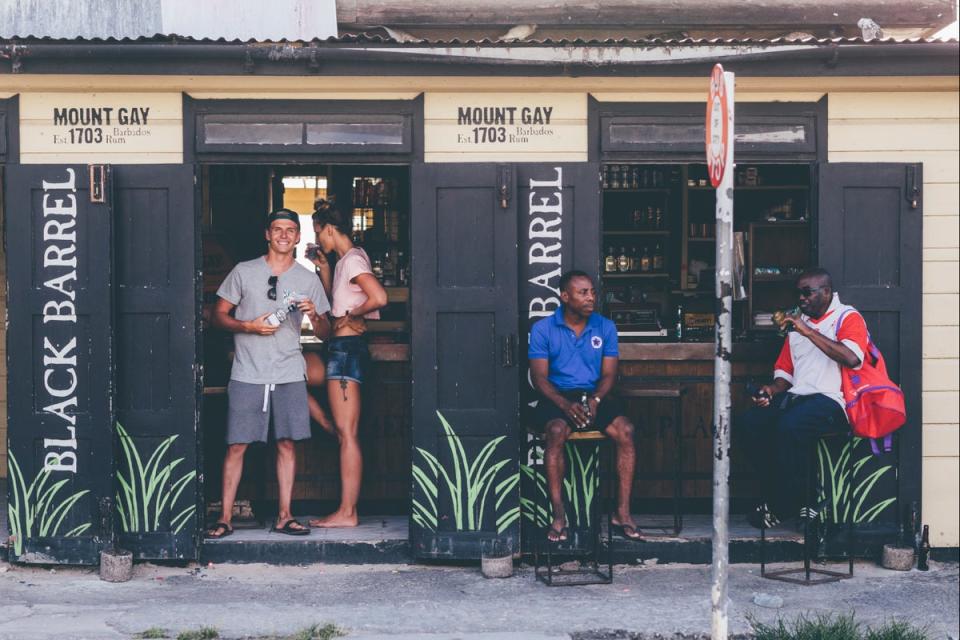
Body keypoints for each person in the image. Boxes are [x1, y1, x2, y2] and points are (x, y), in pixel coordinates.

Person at [205, 208, 331, 539]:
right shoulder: (244, 272)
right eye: (278, 229)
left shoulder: (307, 279)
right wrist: (247, 325)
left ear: (298, 236)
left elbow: (327, 332)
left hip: (289, 370)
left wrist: (315, 315)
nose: (284, 235)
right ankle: (225, 518)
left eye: (291, 230)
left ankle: (285, 516)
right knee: (237, 445)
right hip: (247, 371)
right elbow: (217, 316)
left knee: (287, 443)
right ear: (267, 234)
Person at [740, 267, 868, 529]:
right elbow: (784, 376)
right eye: (798, 293)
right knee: (748, 424)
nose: (801, 299)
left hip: (835, 402)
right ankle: (794, 497)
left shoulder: (848, 317)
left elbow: (852, 359)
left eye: (807, 293)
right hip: (798, 399)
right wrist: (771, 391)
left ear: (826, 292)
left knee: (790, 427)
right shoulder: (798, 326)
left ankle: (782, 504)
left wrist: (807, 331)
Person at [528, 270, 642, 542]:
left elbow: (609, 375)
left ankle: (622, 514)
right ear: (565, 297)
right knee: (556, 432)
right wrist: (565, 405)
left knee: (626, 430)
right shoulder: (543, 329)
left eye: (592, 292)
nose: (591, 297)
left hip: (593, 395)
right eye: (583, 293)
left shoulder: (605, 327)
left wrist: (596, 400)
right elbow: (539, 378)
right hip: (557, 397)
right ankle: (559, 516)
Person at [306, 200, 388, 528]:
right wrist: (323, 267)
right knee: (344, 432)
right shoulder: (345, 262)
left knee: (347, 435)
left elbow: (379, 297)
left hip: (347, 350)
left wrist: (352, 315)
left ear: (328, 229)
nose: (318, 240)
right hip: (342, 348)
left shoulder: (353, 260)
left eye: (318, 234)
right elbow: (332, 304)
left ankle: (347, 512)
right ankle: (346, 509)